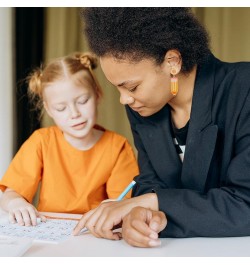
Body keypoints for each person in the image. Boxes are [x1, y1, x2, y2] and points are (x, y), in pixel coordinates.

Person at [73, 7, 250, 247]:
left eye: (132, 87)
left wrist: (149, 203)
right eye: (118, 88)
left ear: (172, 62)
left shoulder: (244, 89)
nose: (124, 99)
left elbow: (245, 204)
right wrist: (138, 216)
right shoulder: (143, 107)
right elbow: (150, 182)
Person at [0, 52, 139, 227]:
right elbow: (10, 195)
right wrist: (16, 203)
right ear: (49, 109)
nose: (74, 114)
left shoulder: (117, 146)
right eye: (61, 108)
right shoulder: (41, 142)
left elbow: (123, 204)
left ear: (97, 95)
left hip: (94, 233)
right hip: (48, 231)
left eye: (82, 101)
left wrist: (116, 207)